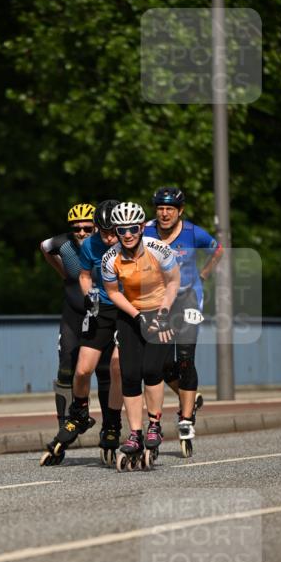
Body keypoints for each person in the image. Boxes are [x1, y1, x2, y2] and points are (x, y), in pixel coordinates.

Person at [39, 199, 123, 466]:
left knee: (106, 370)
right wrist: (64, 274)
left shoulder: (107, 243)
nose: (82, 233)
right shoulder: (64, 244)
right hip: (75, 312)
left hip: (103, 312)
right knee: (67, 368)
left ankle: (110, 427)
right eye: (77, 228)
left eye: (88, 228)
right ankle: (68, 423)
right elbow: (45, 247)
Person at [101, 201, 181, 470]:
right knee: (130, 374)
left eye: (133, 229)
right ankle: (135, 432)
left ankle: (154, 425)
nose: (127, 235)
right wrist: (137, 316)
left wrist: (164, 313)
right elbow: (113, 293)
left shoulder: (159, 249)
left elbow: (174, 282)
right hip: (131, 313)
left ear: (141, 227)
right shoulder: (110, 258)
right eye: (121, 230)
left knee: (152, 369)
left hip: (162, 309)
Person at [145, 187, 224, 455]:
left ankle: (186, 419)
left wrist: (204, 275)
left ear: (180, 211)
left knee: (186, 359)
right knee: (162, 363)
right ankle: (190, 396)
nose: (164, 213)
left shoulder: (193, 233)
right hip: (160, 301)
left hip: (189, 298)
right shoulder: (145, 231)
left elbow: (218, 250)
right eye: (160, 208)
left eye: (170, 209)